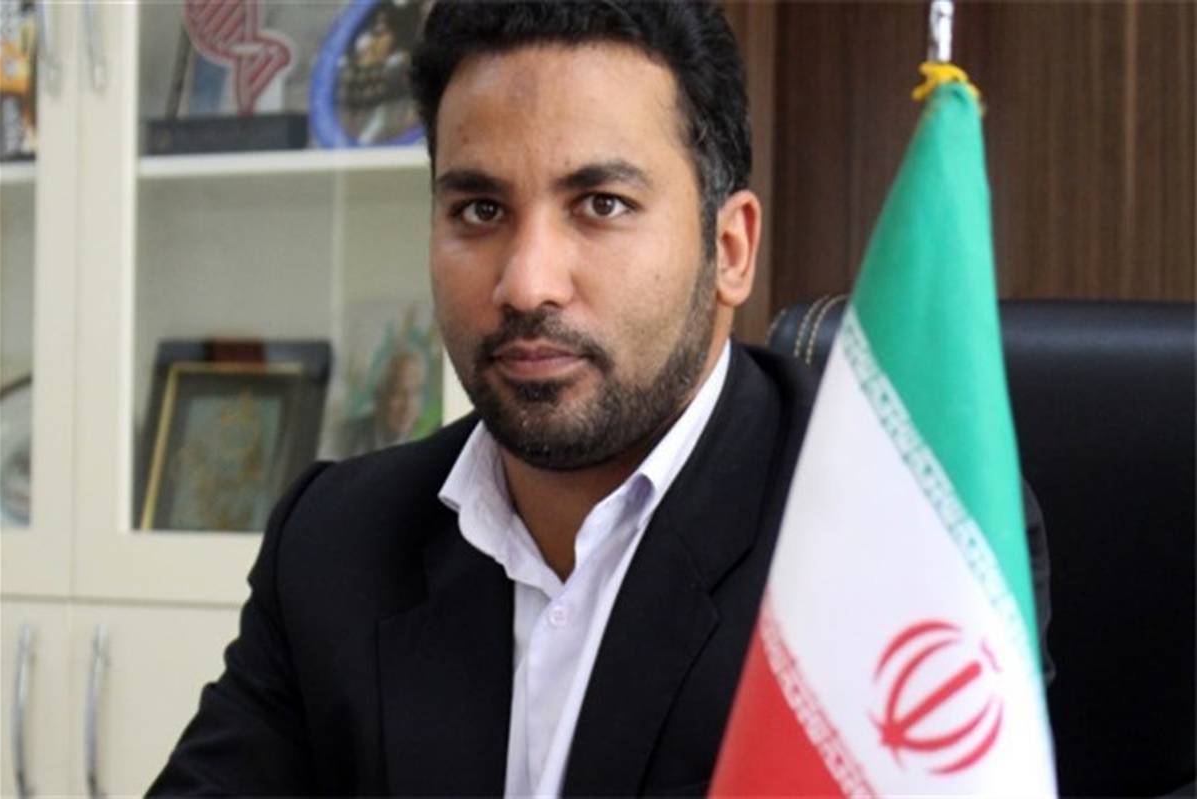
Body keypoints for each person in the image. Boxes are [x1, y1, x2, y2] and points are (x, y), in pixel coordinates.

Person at [150, 2, 1049, 795]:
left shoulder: (896, 537)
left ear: (730, 250)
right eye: (479, 211)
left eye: (602, 204)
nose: (526, 283)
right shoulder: (335, 543)